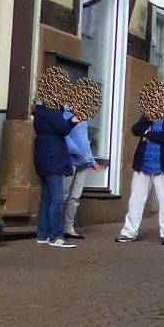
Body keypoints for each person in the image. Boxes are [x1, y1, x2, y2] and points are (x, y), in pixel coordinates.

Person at [117, 79, 164, 245]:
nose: (156, 101)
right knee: (136, 200)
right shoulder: (147, 116)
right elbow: (135, 130)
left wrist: (150, 135)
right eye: (153, 98)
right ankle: (129, 232)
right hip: (143, 165)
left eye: (159, 98)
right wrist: (147, 120)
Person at [31, 67, 81, 248]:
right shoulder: (51, 109)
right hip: (52, 156)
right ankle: (56, 235)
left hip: (43, 155)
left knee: (46, 198)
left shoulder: (41, 109)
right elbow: (63, 129)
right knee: (57, 197)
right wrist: (72, 121)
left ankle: (43, 234)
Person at [59, 77, 102, 240]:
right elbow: (65, 137)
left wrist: (91, 160)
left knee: (75, 197)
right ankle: (55, 227)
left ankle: (68, 227)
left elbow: (85, 140)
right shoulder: (65, 112)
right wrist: (78, 152)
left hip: (83, 162)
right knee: (63, 195)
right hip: (70, 160)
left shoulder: (84, 115)